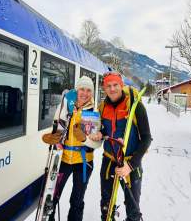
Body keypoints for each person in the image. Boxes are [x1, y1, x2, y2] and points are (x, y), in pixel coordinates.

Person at [89, 71, 152, 221]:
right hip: (109, 160)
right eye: (108, 86)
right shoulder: (102, 107)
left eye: (115, 85)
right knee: (106, 204)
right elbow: (103, 129)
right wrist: (99, 133)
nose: (112, 89)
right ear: (104, 89)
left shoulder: (135, 106)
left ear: (121, 85)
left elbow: (147, 138)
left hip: (130, 161)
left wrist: (130, 166)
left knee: (133, 207)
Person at [45, 76, 101, 221]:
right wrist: (51, 137)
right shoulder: (65, 105)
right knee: (52, 197)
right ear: (77, 90)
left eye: (89, 90)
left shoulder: (93, 112)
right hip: (62, 160)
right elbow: (57, 128)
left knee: (76, 200)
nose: (85, 93)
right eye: (82, 89)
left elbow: (97, 144)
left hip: (84, 162)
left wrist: (84, 138)